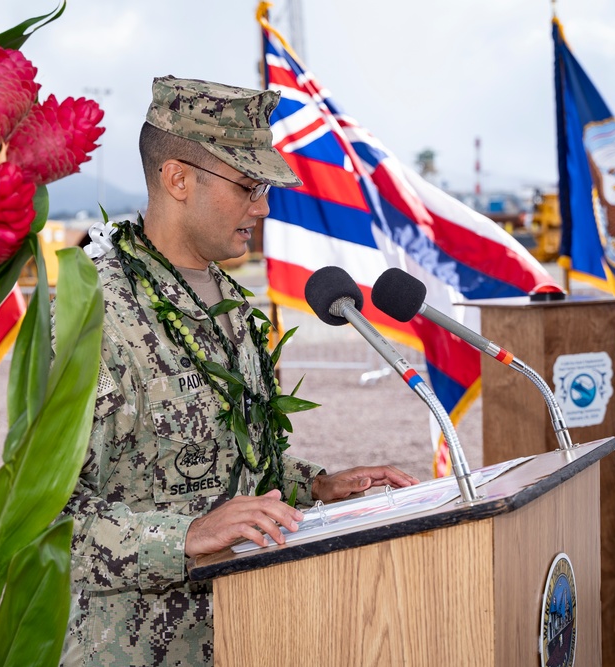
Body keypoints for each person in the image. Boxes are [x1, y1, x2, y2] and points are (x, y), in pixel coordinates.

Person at [57, 75, 418, 667]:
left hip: (249, 633)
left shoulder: (228, 300)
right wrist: (186, 537)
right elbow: (45, 525)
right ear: (177, 179)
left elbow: (223, 470)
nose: (264, 205)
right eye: (249, 185)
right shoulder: (87, 309)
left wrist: (314, 487)